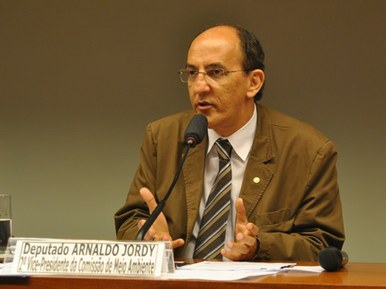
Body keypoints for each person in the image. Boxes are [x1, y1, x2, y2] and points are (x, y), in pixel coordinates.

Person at [114, 24, 345, 261]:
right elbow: (131, 219)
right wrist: (148, 236)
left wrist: (259, 246)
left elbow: (322, 243)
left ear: (254, 82)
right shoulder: (162, 137)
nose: (200, 87)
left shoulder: (308, 150)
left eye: (216, 72)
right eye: (192, 73)